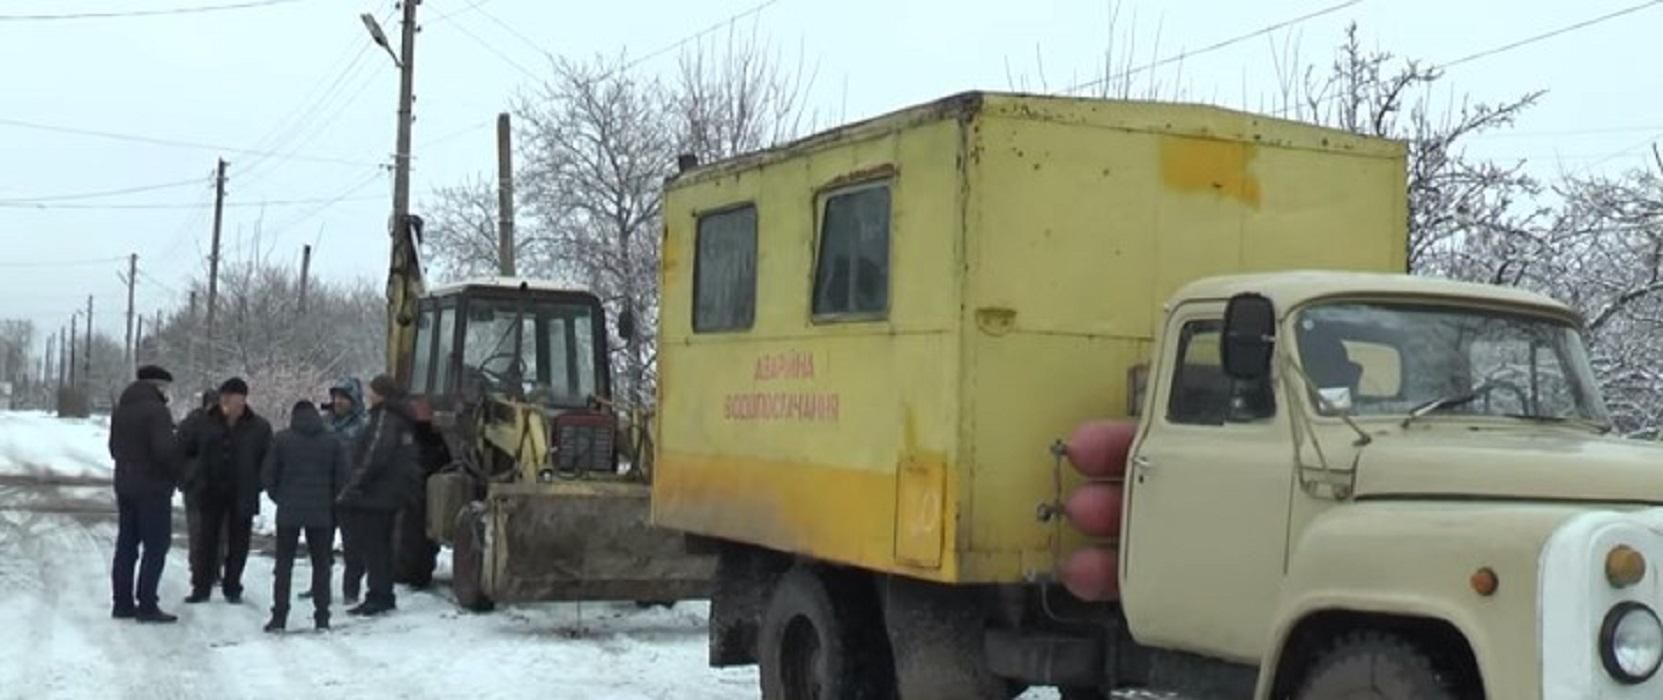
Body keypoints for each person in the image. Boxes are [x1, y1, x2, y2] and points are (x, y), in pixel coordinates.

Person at [179, 377, 273, 604]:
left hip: (243, 492)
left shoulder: (259, 427)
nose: (236, 405)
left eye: (240, 399)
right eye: (231, 399)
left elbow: (268, 459)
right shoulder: (203, 422)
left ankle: (233, 586)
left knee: (239, 543)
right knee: (206, 541)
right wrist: (192, 477)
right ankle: (201, 587)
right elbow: (184, 451)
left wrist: (258, 482)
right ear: (223, 399)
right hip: (210, 490)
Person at [261, 400, 350, 632]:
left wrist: (280, 497)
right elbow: (343, 477)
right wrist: (330, 501)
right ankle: (322, 616)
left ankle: (279, 616)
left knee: (283, 565)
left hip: (289, 512)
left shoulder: (281, 440)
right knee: (321, 565)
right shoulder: (332, 441)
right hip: (321, 512)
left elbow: (268, 475)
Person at [108, 365, 182, 624]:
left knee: (126, 545)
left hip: (125, 485)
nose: (167, 393)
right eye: (165, 387)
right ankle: (147, 603)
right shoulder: (156, 411)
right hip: (152, 488)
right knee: (156, 545)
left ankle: (122, 603)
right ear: (157, 385)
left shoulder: (122, 408)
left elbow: (113, 449)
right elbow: (164, 451)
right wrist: (176, 470)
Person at [338, 374, 417, 617]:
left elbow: (375, 454)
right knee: (381, 546)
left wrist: (354, 484)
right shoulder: (401, 417)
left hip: (378, 494)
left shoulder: (384, 418)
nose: (369, 396)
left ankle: (378, 596)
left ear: (380, 394)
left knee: (375, 547)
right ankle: (382, 594)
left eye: (373, 391)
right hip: (391, 492)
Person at [305, 377, 366, 603]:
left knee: (353, 548)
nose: (338, 401)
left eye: (344, 397)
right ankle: (319, 586)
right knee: (320, 546)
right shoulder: (324, 423)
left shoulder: (364, 425)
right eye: (336, 397)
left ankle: (351, 591)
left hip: (352, 493)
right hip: (324, 491)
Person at [179, 389, 223, 589]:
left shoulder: (191, 422)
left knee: (206, 531)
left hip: (203, 485)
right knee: (205, 531)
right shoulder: (196, 423)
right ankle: (205, 570)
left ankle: (207, 570)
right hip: (199, 485)